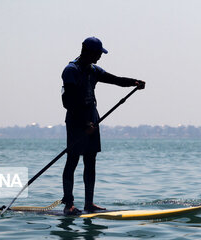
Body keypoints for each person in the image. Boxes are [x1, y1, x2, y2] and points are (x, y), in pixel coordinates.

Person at [61, 37, 145, 215]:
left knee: (90, 162)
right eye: (98, 53)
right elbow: (68, 102)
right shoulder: (71, 70)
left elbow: (115, 79)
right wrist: (84, 124)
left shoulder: (93, 70)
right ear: (89, 51)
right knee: (73, 161)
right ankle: (69, 204)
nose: (100, 56)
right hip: (77, 122)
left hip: (93, 119)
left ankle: (89, 203)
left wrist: (134, 82)